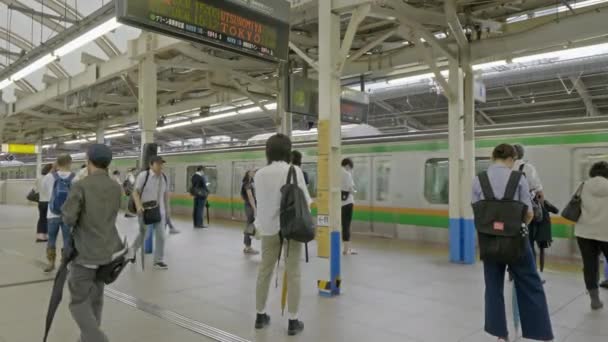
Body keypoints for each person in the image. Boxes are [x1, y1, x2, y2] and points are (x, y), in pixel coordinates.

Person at [472, 144, 553, 342]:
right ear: (512, 158)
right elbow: (529, 213)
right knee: (531, 283)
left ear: (493, 157)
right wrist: (516, 226)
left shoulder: (478, 180)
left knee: (493, 287)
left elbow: (476, 210)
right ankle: (540, 333)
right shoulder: (518, 179)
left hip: (489, 241)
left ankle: (500, 334)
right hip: (516, 241)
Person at [61, 144, 125, 342]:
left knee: (79, 302)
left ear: (88, 161)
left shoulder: (81, 185)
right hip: (108, 253)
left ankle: (97, 339)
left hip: (85, 254)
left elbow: (69, 217)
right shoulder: (116, 186)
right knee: (96, 299)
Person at [254, 134, 311, 336]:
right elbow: (306, 201)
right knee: (293, 273)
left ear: (268, 151)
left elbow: (259, 204)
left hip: (268, 230)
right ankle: (293, 321)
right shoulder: (294, 170)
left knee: (264, 272)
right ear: (287, 151)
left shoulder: (259, 174)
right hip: (291, 230)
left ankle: (260, 316)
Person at [573, 161, 608, 310]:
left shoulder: (583, 185)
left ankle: (595, 300)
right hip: (606, 232)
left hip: (584, 232)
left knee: (590, 265)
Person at [130, 156, 170, 270]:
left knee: (161, 236)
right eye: (158, 164)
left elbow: (166, 195)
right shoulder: (144, 176)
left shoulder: (164, 177)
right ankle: (132, 251)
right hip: (145, 210)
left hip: (159, 211)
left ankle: (158, 261)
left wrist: (167, 212)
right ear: (151, 165)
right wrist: (138, 206)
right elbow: (135, 192)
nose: (161, 166)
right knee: (145, 234)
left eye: (162, 164)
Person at [41, 154, 75, 273]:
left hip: (52, 213)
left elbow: (44, 191)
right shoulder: (75, 178)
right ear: (70, 163)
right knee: (67, 240)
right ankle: (64, 264)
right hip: (68, 215)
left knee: (51, 239)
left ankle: (51, 263)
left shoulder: (49, 177)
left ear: (57, 163)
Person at [528, 199, 559, 278]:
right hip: (542, 230)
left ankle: (534, 270)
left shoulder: (528, 202)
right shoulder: (544, 203)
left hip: (532, 229)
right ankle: (540, 271)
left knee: (531, 249)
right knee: (541, 250)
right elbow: (556, 210)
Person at [341, 158, 357, 255]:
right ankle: (346, 249)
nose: (349, 170)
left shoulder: (335, 172)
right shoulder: (347, 174)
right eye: (350, 168)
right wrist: (355, 192)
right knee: (346, 226)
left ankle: (344, 248)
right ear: (347, 165)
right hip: (347, 203)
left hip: (338, 204)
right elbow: (351, 189)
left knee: (340, 225)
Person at [35, 163, 53, 242]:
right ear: (50, 169)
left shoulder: (39, 178)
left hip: (41, 201)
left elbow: (36, 190)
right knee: (48, 219)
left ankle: (40, 236)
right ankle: (45, 235)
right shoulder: (50, 178)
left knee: (41, 218)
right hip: (48, 201)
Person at [241, 169, 258, 255]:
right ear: (248, 173)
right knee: (249, 225)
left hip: (251, 205)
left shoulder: (251, 183)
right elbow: (250, 197)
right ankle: (248, 247)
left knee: (250, 225)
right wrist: (254, 208)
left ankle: (248, 246)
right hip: (250, 206)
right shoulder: (247, 184)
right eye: (252, 172)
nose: (254, 173)